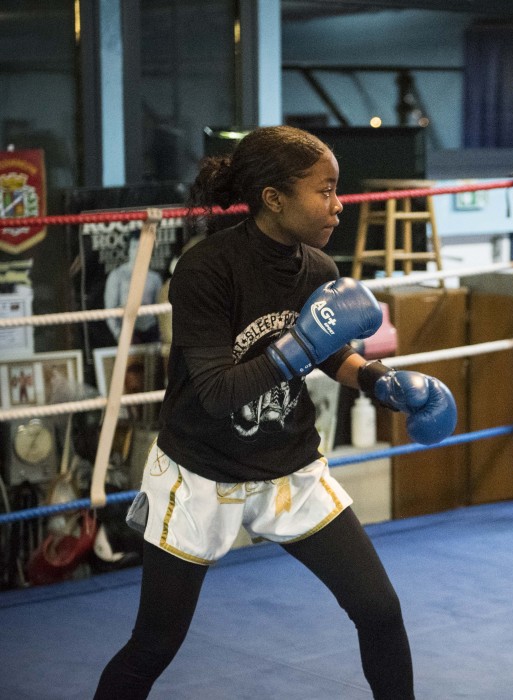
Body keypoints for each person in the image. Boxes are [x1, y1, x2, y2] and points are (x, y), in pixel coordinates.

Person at [94, 125, 457, 700]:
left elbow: (331, 348)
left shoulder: (316, 269)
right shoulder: (206, 271)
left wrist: (379, 380)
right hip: (200, 474)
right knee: (155, 644)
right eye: (326, 190)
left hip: (290, 468)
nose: (339, 205)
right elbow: (215, 391)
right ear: (274, 198)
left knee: (380, 611)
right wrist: (300, 349)